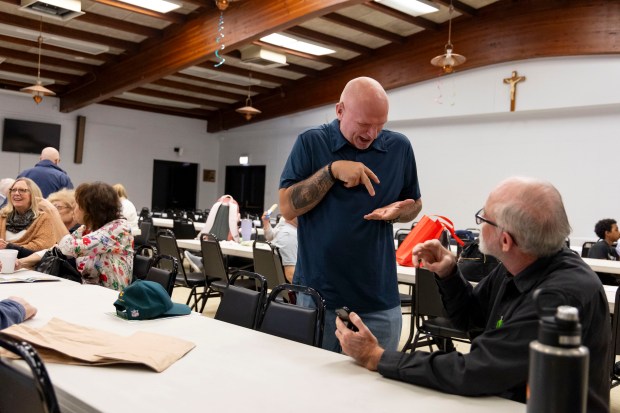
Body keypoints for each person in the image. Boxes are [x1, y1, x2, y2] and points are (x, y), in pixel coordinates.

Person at [336, 177, 610, 413]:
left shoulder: (559, 296)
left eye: (484, 217)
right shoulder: (517, 265)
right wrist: (449, 274)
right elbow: (472, 319)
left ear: (506, 240)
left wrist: (378, 357)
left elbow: (475, 370)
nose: (477, 224)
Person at [279, 77, 422, 352]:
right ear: (340, 111)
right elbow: (287, 207)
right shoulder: (311, 142)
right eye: (364, 124)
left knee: (377, 388)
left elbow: (414, 203)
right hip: (320, 298)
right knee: (314, 383)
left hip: (380, 302)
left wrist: (401, 213)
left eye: (380, 125)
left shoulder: (399, 148)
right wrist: (331, 171)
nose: (372, 134)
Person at [57, 182, 134, 291]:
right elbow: (58, 249)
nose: (75, 209)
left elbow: (69, 247)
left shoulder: (118, 229)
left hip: (110, 299)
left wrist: (53, 215)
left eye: (78, 205)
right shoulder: (87, 229)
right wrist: (25, 261)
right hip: (88, 293)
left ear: (91, 210)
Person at [0, 178, 67, 257]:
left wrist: (9, 247)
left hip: (30, 266)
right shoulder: (2, 216)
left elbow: (43, 246)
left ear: (33, 194)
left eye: (22, 190)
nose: (16, 193)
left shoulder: (44, 218)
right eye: (13, 190)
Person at [261, 212, 298, 282]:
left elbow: (270, 236)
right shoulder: (289, 235)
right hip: (289, 288)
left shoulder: (284, 224)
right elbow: (291, 275)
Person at [588, 218, 620, 285]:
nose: (619, 232)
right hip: (604, 285)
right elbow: (603, 270)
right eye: (616, 230)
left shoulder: (613, 250)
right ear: (607, 233)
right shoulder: (599, 247)